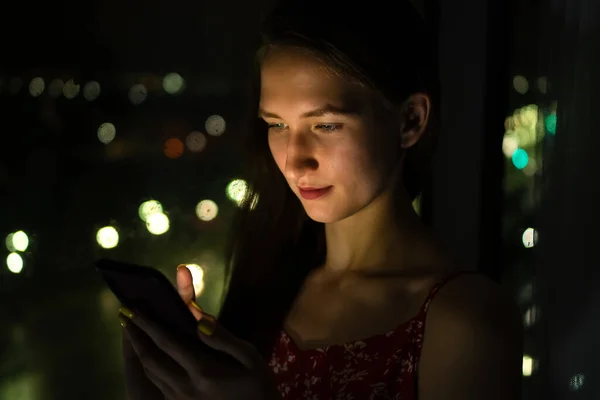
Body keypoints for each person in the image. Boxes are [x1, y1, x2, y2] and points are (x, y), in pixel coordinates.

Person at [116, 0, 524, 398]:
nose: (295, 161)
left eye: (326, 124)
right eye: (277, 124)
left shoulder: (463, 322)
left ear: (410, 120)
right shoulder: (271, 278)